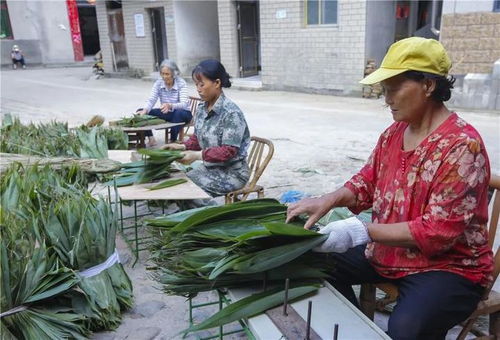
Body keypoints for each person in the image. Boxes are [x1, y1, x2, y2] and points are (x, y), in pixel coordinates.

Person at [286, 37, 493, 339]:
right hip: (388, 253)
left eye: (394, 88)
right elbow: (365, 183)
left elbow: (437, 231)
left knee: (407, 328)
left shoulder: (462, 146)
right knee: (312, 261)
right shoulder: (394, 133)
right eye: (385, 90)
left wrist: (361, 230)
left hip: (449, 266)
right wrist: (328, 200)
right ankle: (357, 330)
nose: (387, 99)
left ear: (428, 85)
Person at [162, 59, 251, 198]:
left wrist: (197, 155)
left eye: (202, 84)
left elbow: (228, 151)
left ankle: (205, 217)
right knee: (179, 182)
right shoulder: (202, 108)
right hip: (210, 167)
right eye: (196, 84)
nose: (198, 88)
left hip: (232, 172)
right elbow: (198, 139)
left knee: (187, 189)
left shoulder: (231, 113)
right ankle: (192, 214)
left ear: (217, 83)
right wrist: (180, 147)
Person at [137, 59, 192, 146]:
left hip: (183, 113)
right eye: (162, 74)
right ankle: (151, 138)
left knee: (178, 114)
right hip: (167, 112)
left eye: (167, 74)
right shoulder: (159, 83)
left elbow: (184, 104)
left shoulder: (181, 83)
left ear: (174, 74)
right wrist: (146, 109)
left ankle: (173, 140)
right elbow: (152, 99)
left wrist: (170, 105)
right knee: (140, 112)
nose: (164, 76)